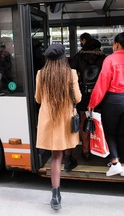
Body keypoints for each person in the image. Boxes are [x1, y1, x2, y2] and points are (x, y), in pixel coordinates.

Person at [35, 44, 81, 210]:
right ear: (63, 58)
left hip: (49, 119)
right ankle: (69, 159)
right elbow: (78, 98)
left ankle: (56, 195)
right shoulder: (71, 74)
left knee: (55, 157)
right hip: (65, 119)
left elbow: (38, 99)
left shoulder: (41, 74)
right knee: (64, 145)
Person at [88, 29, 124, 177]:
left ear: (116, 44)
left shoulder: (110, 60)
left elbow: (102, 84)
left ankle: (115, 162)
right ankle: (123, 165)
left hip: (114, 100)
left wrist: (93, 102)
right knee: (122, 133)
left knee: (110, 132)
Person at [69, 38, 106, 160]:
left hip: (83, 94)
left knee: (84, 121)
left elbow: (70, 71)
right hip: (98, 94)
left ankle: (86, 151)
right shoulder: (103, 59)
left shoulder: (78, 58)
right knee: (97, 121)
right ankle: (98, 148)